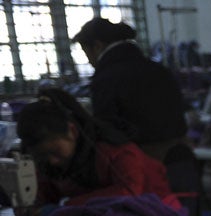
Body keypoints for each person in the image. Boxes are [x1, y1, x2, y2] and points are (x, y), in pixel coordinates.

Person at [15, 88, 181, 216]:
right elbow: (45, 192)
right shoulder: (50, 163)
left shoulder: (116, 150)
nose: (52, 161)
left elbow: (129, 192)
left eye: (55, 152)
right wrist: (32, 208)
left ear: (72, 131)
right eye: (42, 156)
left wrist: (68, 206)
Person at [73, 17, 188, 164]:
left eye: (86, 53)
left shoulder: (107, 78)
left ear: (97, 46)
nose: (89, 61)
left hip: (142, 162)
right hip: (181, 156)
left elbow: (107, 128)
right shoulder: (157, 69)